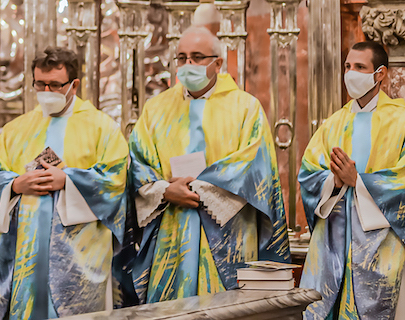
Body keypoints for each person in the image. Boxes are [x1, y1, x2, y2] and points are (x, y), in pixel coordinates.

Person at [128, 26, 290, 303]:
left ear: (218, 63)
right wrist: (165, 191)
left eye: (197, 57)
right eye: (182, 58)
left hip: (228, 233)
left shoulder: (245, 108)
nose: (188, 64)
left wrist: (198, 189)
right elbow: (138, 163)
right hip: (171, 229)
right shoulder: (156, 109)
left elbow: (253, 166)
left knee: (223, 308)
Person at [0, 47, 128, 318]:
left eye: (55, 85)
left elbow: (115, 180)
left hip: (77, 256)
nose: (47, 91)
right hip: (25, 250)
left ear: (74, 84)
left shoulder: (102, 128)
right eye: (40, 84)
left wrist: (69, 180)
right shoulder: (16, 129)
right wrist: (16, 185)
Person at [300, 41, 405, 320]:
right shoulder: (334, 123)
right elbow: (308, 173)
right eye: (348, 66)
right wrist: (333, 182)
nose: (350, 73)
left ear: (380, 74)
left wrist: (358, 181)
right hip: (332, 244)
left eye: (360, 67)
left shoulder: (401, 120)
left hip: (380, 246)